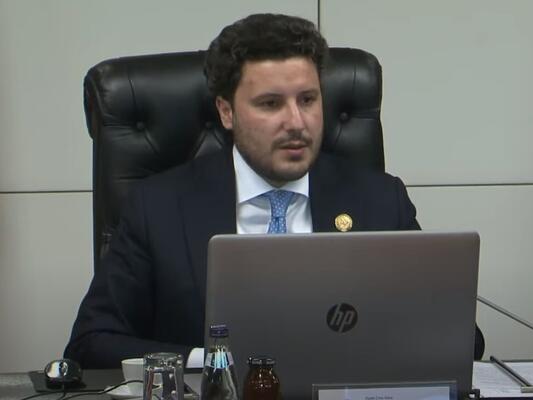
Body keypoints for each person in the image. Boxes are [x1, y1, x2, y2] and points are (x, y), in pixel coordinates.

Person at [64, 13, 483, 368]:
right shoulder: (158, 207)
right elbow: (92, 341)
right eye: (270, 104)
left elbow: (462, 337)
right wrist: (211, 362)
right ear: (226, 112)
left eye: (308, 99)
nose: (296, 122)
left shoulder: (380, 200)